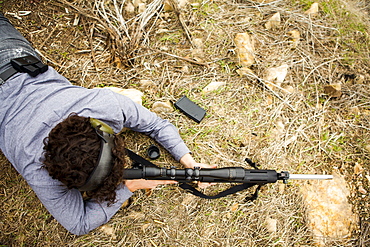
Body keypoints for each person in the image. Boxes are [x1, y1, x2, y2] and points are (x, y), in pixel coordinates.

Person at [0, 12, 214, 235]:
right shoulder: (37, 169)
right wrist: (130, 185)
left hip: (9, 51)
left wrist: (189, 161)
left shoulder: (106, 105)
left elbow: (157, 124)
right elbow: (78, 224)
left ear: (105, 130)